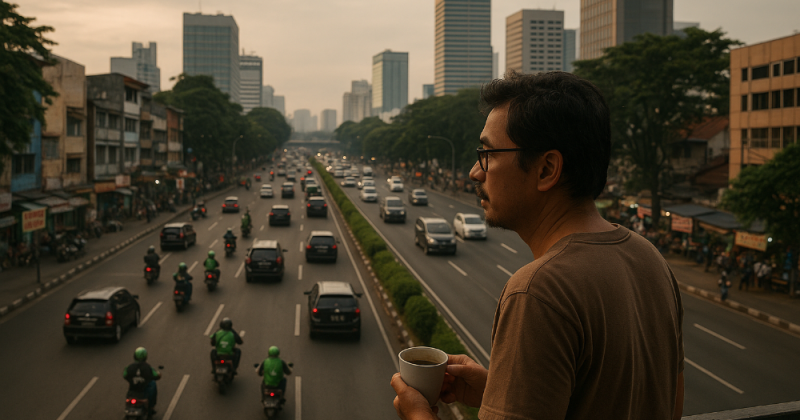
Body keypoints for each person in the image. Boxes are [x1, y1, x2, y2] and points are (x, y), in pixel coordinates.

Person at [390, 71, 684, 420]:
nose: (475, 172)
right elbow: (668, 403)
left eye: (487, 154)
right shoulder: (650, 259)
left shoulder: (538, 291)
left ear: (546, 169)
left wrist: (418, 414)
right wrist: (497, 391)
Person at [123, 347, 161, 416]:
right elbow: (156, 376)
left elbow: (125, 375)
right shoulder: (148, 367)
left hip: (131, 393)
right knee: (153, 383)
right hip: (143, 394)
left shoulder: (129, 367)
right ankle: (151, 407)